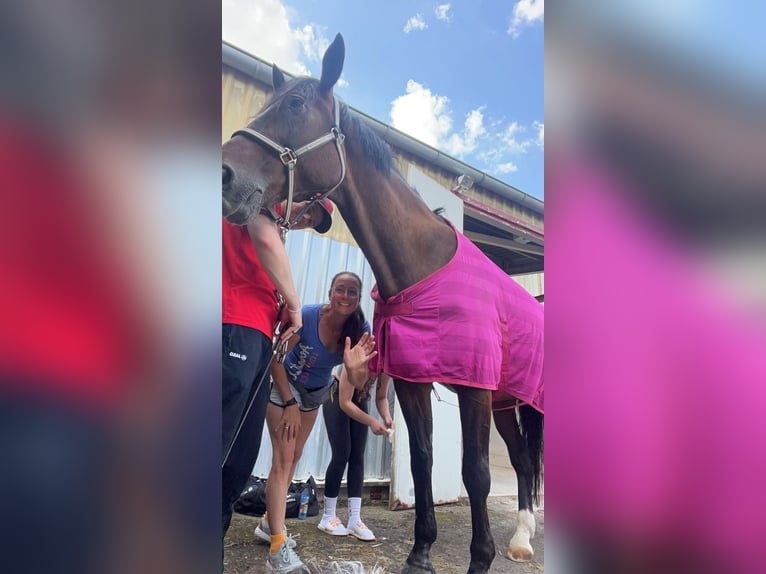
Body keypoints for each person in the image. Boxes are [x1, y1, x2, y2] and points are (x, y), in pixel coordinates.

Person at [222, 198, 334, 542]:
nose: (305, 220)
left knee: (238, 458)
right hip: (232, 323)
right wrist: (295, 305)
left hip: (257, 335)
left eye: (312, 220)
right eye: (308, 211)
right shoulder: (255, 201)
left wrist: (281, 302)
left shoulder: (277, 235)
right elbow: (265, 238)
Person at [258, 272, 376, 572]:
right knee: (283, 461)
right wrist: (288, 403)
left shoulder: (359, 328)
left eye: (352, 292)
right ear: (330, 292)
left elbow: (361, 382)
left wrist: (354, 368)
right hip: (286, 386)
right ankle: (277, 544)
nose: (345, 297)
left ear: (358, 298)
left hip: (316, 393)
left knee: (295, 456)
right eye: (340, 290)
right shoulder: (309, 317)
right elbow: (276, 357)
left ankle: (267, 523)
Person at [319, 367, 393, 541]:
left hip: (358, 396)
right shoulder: (360, 357)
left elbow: (381, 397)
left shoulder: (387, 363)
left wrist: (387, 418)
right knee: (341, 453)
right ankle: (327, 516)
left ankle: (355, 518)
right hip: (337, 393)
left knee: (357, 454)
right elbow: (345, 402)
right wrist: (372, 422)